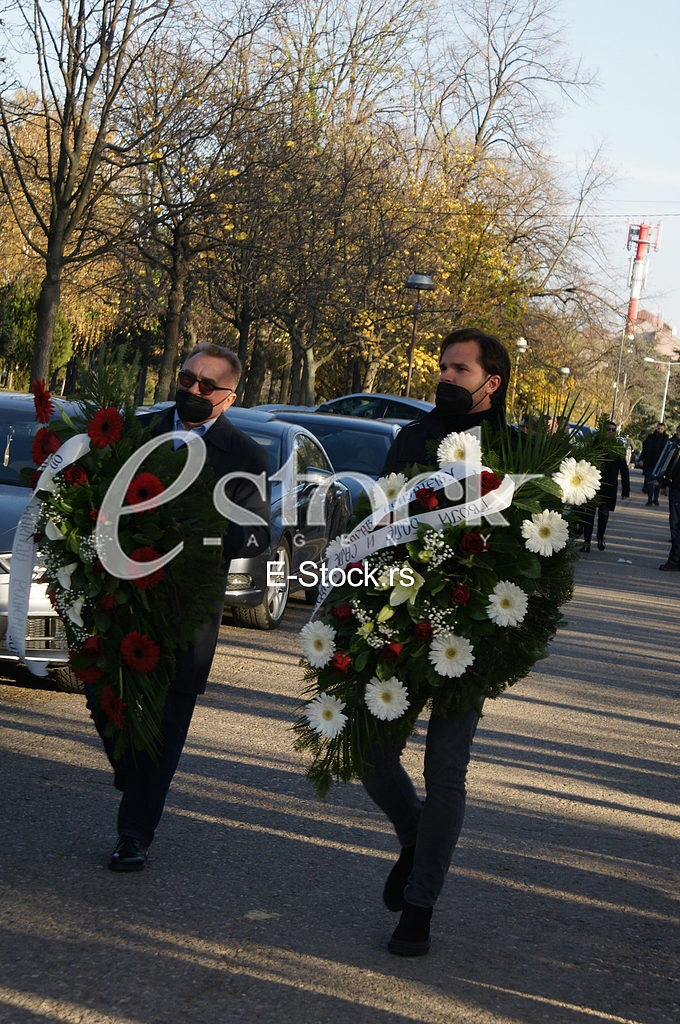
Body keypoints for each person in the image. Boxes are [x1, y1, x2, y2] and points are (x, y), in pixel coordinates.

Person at [87, 343, 271, 872]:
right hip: (122, 598)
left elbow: (254, 535)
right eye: (187, 378)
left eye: (206, 386)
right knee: (103, 699)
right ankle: (133, 777)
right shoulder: (136, 432)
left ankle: (134, 834)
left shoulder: (246, 456)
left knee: (165, 727)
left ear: (229, 398)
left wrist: (196, 536)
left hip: (188, 612)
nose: (191, 389)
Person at [362, 327, 510, 957]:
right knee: (370, 752)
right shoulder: (413, 438)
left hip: (473, 630)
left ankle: (419, 908)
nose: (446, 376)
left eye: (460, 369)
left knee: (446, 769)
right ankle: (416, 832)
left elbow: (536, 547)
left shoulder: (516, 448)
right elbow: (382, 522)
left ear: (491, 382)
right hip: (399, 615)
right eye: (443, 367)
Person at [579, 421, 629, 553]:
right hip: (591, 486)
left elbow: (624, 470)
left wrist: (626, 490)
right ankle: (587, 541)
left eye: (613, 430)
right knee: (589, 514)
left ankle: (600, 536)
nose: (611, 432)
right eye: (608, 429)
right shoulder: (594, 445)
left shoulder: (617, 448)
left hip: (608, 487)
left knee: (604, 514)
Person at [659, 424, 680, 572]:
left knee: (676, 526)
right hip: (676, 489)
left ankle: (674, 560)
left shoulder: (676, 447)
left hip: (678, 490)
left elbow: (670, 468)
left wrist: (664, 483)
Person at [640, 423, 666, 505]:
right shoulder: (650, 438)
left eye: (661, 429)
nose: (660, 430)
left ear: (664, 429)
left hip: (660, 465)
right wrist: (641, 459)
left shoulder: (666, 440)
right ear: (656, 428)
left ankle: (656, 498)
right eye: (658, 428)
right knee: (649, 481)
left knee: (658, 483)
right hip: (649, 464)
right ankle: (649, 499)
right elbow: (644, 449)